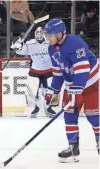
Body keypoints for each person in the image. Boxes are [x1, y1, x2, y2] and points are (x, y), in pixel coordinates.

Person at [44, 18, 99, 163]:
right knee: (69, 115)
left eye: (50, 35)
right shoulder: (51, 49)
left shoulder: (75, 42)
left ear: (60, 34)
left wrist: (77, 89)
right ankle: (73, 147)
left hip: (90, 81)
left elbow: (83, 67)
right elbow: (58, 73)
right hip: (72, 84)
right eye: (47, 35)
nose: (48, 38)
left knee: (92, 114)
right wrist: (52, 91)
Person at [10, 27, 57, 118]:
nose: (39, 34)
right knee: (32, 91)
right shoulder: (30, 43)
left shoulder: (50, 42)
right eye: (37, 32)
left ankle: (49, 107)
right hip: (35, 71)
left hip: (49, 70)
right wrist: (17, 45)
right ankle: (35, 107)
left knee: (51, 90)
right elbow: (20, 50)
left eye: (41, 32)